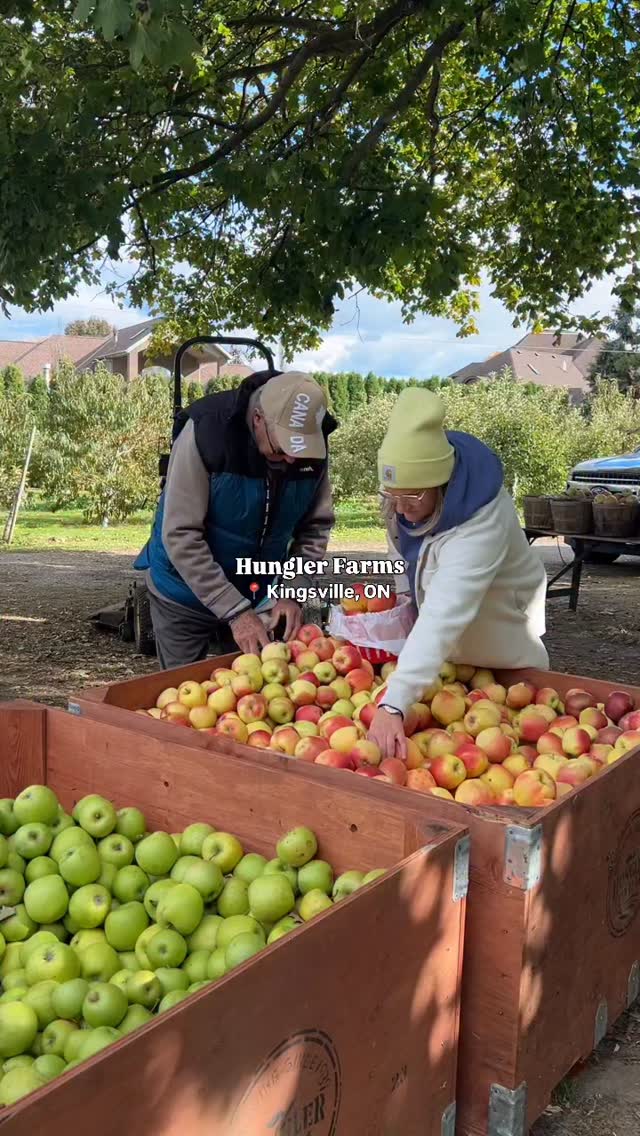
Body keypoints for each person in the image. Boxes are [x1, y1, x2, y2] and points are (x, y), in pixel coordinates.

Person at [368, 388, 549, 759]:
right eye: (392, 496)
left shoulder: (482, 520)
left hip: (503, 656)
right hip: (449, 673)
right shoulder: (405, 498)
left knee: (518, 751)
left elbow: (444, 611)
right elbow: (400, 548)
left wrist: (393, 704)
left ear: (441, 483)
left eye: (412, 498)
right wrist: (403, 597)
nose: (401, 508)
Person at [134, 370, 336, 667]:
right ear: (258, 419)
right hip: (182, 591)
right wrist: (235, 612)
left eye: (301, 449)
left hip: (254, 591)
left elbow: (314, 528)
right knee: (182, 694)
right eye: (283, 448)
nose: (293, 460)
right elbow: (181, 535)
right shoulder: (204, 432)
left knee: (253, 688)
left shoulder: (311, 445)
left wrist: (294, 590)